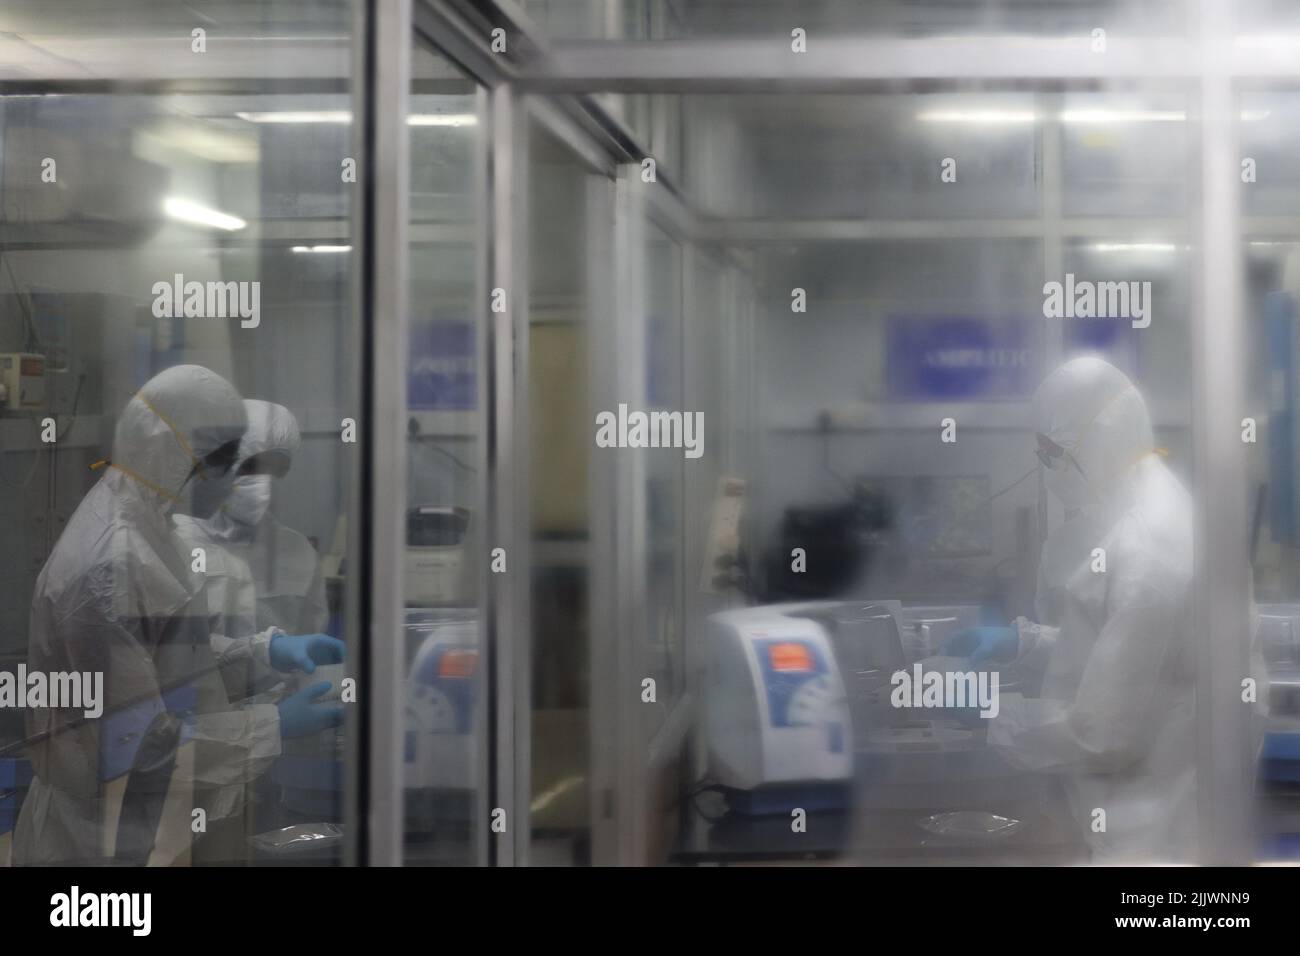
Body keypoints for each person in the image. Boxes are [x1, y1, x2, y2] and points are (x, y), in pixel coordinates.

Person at [13, 366, 342, 866]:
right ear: (173, 454)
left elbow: (162, 654)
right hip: (100, 840)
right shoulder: (113, 560)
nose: (230, 479)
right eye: (222, 461)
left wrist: (262, 653)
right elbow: (142, 743)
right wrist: (273, 725)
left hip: (147, 819)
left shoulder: (149, 525)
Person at [944, 356, 1196, 862]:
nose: (1047, 467)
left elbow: (1099, 733)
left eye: (1052, 451)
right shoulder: (1141, 511)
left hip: (1151, 843)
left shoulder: (1150, 545)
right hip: (1130, 819)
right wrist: (1026, 643)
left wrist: (991, 716)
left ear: (1099, 440)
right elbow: (1134, 654)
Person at [175, 400, 328, 639]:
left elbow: (311, 641)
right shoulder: (174, 544)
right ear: (222, 466)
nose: (265, 482)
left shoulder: (298, 552)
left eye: (277, 469)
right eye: (252, 466)